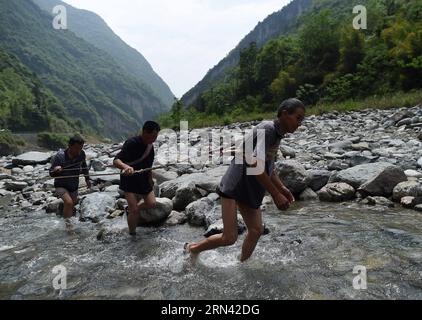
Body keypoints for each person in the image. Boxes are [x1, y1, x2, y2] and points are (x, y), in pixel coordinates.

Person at [185, 98, 306, 262]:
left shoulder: (276, 134)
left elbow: (268, 166)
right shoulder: (268, 130)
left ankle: (239, 264)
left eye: (301, 119)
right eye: (298, 118)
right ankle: (193, 249)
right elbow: (256, 166)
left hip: (250, 187)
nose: (299, 123)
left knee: (256, 230)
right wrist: (276, 195)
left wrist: (282, 188)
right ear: (285, 114)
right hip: (235, 185)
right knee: (229, 237)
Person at [113, 121, 160, 236]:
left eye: (156, 136)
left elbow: (149, 165)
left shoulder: (150, 147)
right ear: (144, 132)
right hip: (129, 179)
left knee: (152, 203)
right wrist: (125, 166)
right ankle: (132, 234)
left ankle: (131, 210)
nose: (154, 139)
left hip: (143, 178)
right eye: (152, 136)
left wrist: (150, 178)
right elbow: (116, 160)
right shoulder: (131, 143)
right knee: (135, 211)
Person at [50, 135, 91, 220]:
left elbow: (84, 167)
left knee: (72, 204)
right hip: (61, 185)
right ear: (69, 146)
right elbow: (51, 173)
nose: (78, 151)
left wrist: (87, 179)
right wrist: (56, 170)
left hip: (74, 185)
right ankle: (68, 227)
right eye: (76, 148)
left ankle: (62, 212)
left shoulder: (81, 154)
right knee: (69, 203)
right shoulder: (60, 156)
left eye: (81, 148)